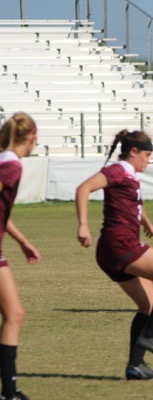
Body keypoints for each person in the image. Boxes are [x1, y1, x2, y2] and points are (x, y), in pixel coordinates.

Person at [76, 130, 153, 380]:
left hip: (111, 250)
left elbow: (134, 203)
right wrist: (83, 225)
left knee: (148, 305)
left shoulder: (130, 174)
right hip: (120, 245)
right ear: (133, 152)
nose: (148, 160)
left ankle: (135, 366)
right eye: (146, 155)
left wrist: (146, 222)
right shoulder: (118, 170)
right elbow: (83, 189)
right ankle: (151, 335)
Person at [0, 112, 41, 400]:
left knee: (14, 314)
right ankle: (9, 393)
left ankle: (10, 392)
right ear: (32, 137)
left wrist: (23, 241)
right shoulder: (12, 165)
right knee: (14, 314)